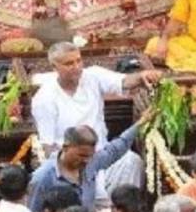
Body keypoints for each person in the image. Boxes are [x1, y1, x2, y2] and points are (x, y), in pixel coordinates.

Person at [31, 42, 161, 155]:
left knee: (132, 163)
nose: (77, 67)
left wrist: (142, 76)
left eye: (79, 60)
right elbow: (48, 145)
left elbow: (124, 82)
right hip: (70, 160)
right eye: (69, 64)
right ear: (54, 67)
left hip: (102, 152)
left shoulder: (93, 75)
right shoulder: (44, 98)